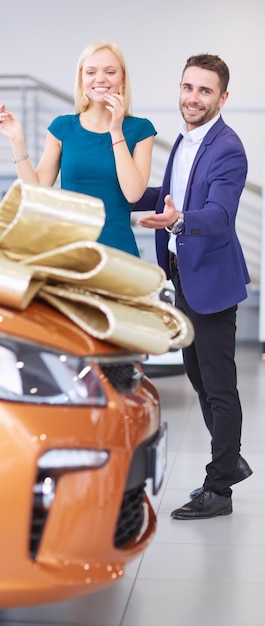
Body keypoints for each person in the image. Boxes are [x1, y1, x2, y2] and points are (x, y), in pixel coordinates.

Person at [135, 53, 252, 519]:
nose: (193, 97)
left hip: (213, 282)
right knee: (199, 376)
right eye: (188, 87)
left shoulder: (228, 147)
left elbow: (220, 217)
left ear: (223, 97)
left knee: (220, 386)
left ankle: (219, 487)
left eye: (205, 90)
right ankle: (231, 457)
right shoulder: (184, 143)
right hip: (183, 275)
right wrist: (111, 192)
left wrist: (180, 221)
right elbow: (167, 197)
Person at [0, 40, 156, 256]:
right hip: (69, 250)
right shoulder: (62, 127)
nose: (100, 78)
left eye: (110, 71)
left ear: (122, 79)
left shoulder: (140, 129)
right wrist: (16, 141)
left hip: (119, 253)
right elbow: (35, 190)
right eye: (91, 72)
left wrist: (116, 131)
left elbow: (133, 193)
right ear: (82, 79)